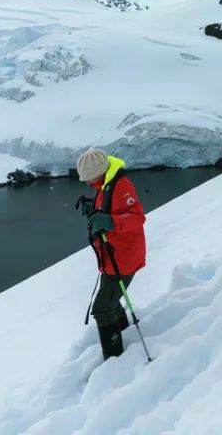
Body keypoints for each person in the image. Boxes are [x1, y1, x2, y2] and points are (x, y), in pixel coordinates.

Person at [75, 148, 146, 360]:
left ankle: (113, 355)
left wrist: (109, 222)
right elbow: (107, 208)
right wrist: (94, 209)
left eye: (89, 177)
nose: (87, 182)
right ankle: (123, 331)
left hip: (123, 257)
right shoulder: (105, 183)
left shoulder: (120, 186)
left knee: (101, 309)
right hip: (113, 255)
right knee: (110, 302)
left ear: (100, 171)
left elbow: (137, 217)